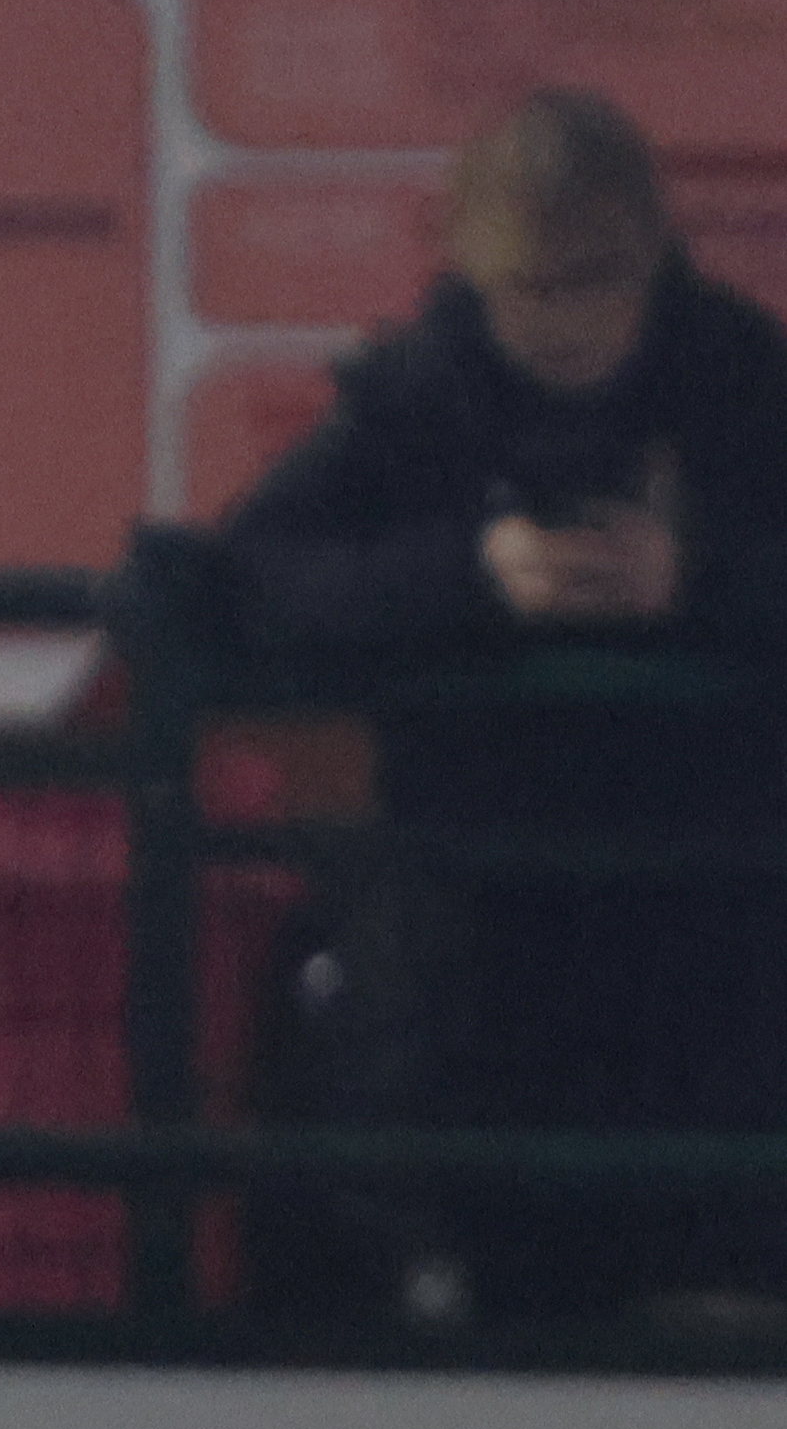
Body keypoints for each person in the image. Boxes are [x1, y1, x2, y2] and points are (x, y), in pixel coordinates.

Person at [211, 87, 787, 1324]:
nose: (564, 321)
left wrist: (699, 580)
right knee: (516, 1256)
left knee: (712, 1256)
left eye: (595, 280)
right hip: (486, 918)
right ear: (471, 271)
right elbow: (247, 573)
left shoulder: (743, 379)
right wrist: (471, 572)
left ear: (652, 255)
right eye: (528, 287)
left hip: (717, 908)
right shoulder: (422, 391)